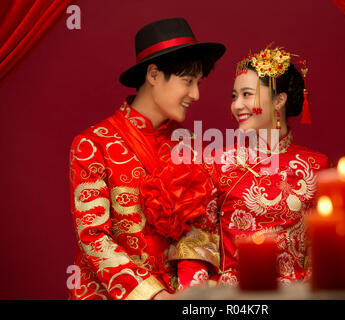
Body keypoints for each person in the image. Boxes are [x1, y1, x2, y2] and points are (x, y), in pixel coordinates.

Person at [68, 17, 225, 300]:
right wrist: (154, 296)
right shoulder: (93, 144)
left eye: (198, 83)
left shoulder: (190, 146)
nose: (196, 94)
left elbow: (199, 230)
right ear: (153, 75)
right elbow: (93, 237)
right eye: (188, 81)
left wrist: (188, 295)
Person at [199, 44, 330, 286]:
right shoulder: (216, 162)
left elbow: (323, 250)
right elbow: (198, 243)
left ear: (279, 99)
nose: (237, 106)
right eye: (234, 96)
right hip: (233, 298)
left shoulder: (316, 166)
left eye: (247, 94)